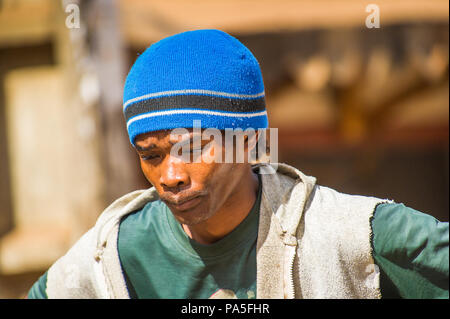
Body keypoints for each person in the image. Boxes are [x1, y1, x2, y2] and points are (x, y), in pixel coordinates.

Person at [28, 29, 448, 299]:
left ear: (249, 140)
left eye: (192, 149)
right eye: (150, 155)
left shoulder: (349, 236)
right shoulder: (109, 260)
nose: (170, 177)